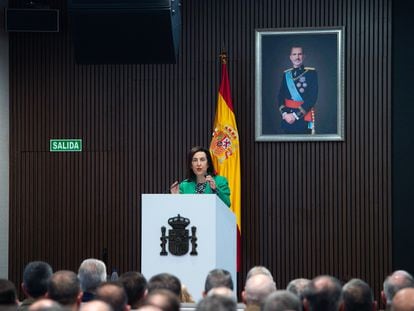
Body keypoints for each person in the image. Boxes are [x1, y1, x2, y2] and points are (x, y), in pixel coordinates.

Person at [278, 46, 318, 134]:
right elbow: (280, 96)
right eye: (294, 54)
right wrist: (285, 114)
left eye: (299, 54)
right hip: (287, 118)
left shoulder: (311, 73)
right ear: (290, 57)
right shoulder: (286, 74)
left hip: (302, 118)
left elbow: (312, 98)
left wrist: (295, 115)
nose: (297, 57)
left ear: (303, 56)